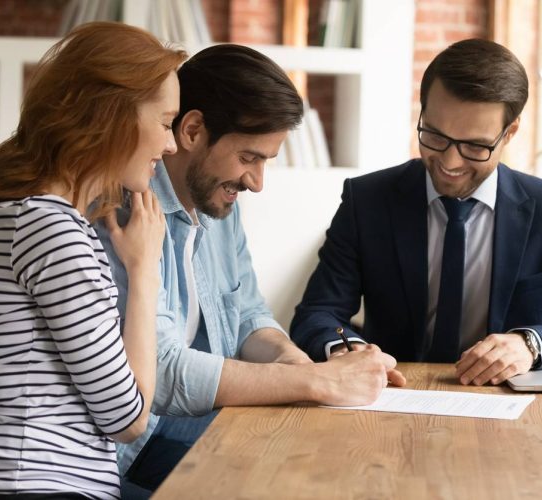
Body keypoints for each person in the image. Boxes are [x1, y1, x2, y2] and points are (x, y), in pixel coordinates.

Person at [94, 43, 404, 495]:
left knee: (342, 464)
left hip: (185, 428)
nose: (257, 183)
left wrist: (294, 360)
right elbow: (161, 374)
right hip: (126, 455)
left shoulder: (219, 204)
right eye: (249, 158)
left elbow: (247, 316)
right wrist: (313, 381)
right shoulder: (125, 212)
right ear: (193, 129)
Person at [0, 22, 185, 499]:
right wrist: (144, 271)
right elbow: (127, 419)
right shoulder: (48, 230)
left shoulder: (25, 216)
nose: (171, 144)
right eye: (164, 122)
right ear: (110, 116)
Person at [291, 38, 542, 387]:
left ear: (509, 133)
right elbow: (317, 314)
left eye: (474, 146)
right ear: (422, 111)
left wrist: (530, 344)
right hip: (393, 397)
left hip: (513, 409)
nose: (449, 162)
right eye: (435, 136)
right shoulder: (367, 201)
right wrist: (348, 353)